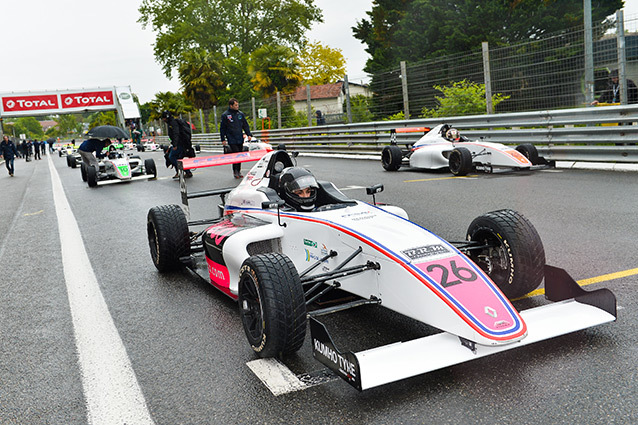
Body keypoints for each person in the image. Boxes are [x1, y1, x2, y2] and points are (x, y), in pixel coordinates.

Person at [220, 98, 253, 178]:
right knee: (236, 154)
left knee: (240, 155)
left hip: (239, 137)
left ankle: (239, 170)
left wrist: (249, 134)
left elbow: (245, 125)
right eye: (235, 105)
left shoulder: (240, 114)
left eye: (237, 105)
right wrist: (223, 139)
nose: (237, 106)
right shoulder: (225, 115)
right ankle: (235, 171)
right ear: (231, 106)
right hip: (231, 138)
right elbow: (222, 128)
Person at [161, 110, 193, 179]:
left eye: (164, 118)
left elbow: (176, 133)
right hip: (178, 143)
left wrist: (175, 145)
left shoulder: (173, 123)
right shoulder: (171, 123)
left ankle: (186, 171)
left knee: (172, 157)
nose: (163, 120)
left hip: (180, 144)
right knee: (178, 159)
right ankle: (182, 172)